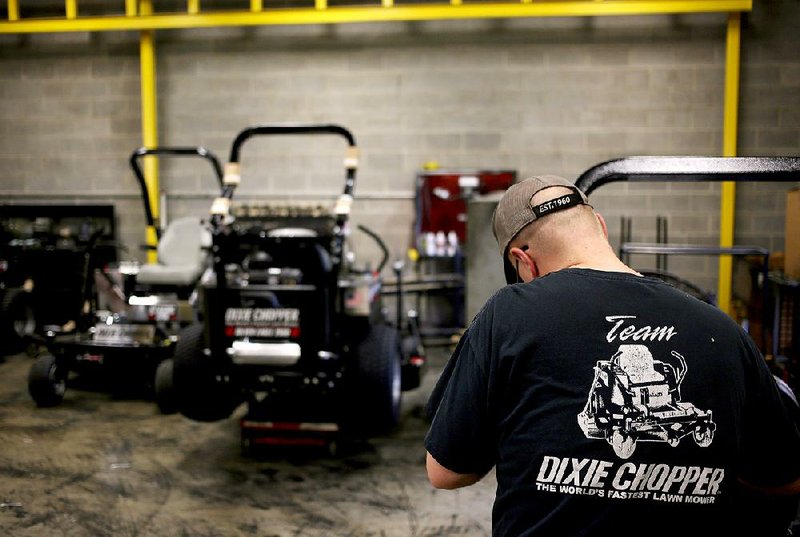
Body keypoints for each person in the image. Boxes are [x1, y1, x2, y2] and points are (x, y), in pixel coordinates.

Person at [424, 175, 800, 536]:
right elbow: (784, 479)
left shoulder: (508, 313)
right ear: (600, 227)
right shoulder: (723, 329)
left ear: (525, 261)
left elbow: (446, 471)